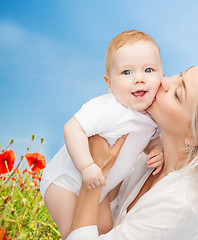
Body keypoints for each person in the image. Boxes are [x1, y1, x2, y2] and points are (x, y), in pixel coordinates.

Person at [66, 64, 198, 240]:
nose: (164, 81)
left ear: (197, 136)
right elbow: (109, 223)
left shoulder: (183, 205)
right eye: (180, 75)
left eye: (177, 94)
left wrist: (95, 174)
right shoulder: (156, 159)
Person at [40, 30, 165, 239]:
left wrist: (157, 149)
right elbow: (72, 128)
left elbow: (150, 139)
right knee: (73, 230)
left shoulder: (153, 115)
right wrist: (87, 166)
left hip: (100, 189)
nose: (139, 79)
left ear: (162, 74)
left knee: (106, 230)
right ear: (109, 83)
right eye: (127, 72)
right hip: (65, 183)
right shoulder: (108, 109)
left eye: (149, 69)